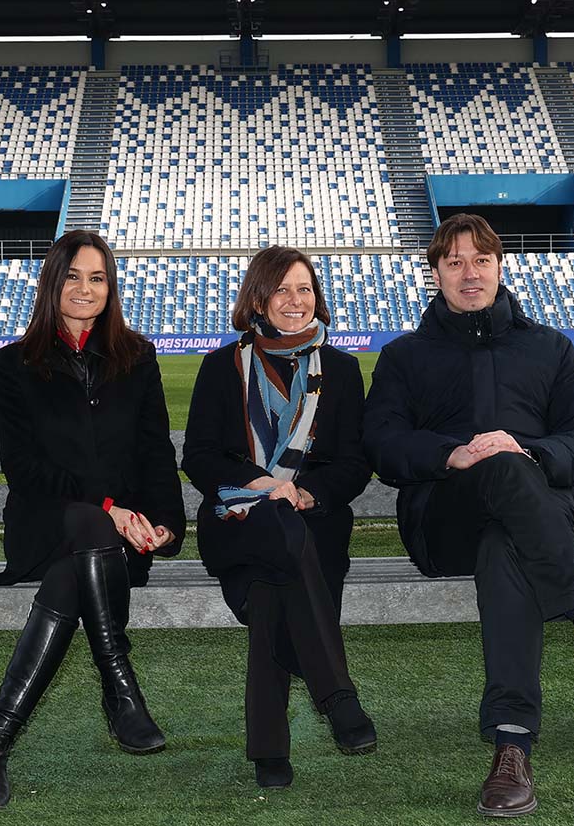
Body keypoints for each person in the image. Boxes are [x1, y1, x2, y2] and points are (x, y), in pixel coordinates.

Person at [363, 214, 574, 818]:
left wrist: (531, 449)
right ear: (434, 273)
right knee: (499, 477)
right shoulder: (406, 355)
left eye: (480, 260)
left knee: (505, 541)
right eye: (454, 262)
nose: (469, 273)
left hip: (531, 530)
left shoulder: (548, 347)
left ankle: (512, 749)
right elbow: (380, 442)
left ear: (500, 266)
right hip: (443, 521)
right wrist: (450, 452)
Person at [0, 230, 186, 808]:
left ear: (111, 288)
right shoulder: (15, 365)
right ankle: (121, 691)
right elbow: (25, 469)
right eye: (72, 276)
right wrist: (110, 509)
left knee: (80, 566)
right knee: (88, 528)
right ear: (52, 283)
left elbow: (155, 451)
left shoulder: (137, 358)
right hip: (46, 525)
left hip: (114, 546)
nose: (85, 289)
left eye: (97, 278)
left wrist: (163, 522)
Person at [182, 246, 376, 789]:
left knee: (274, 583)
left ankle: (270, 749)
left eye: (305, 289)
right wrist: (268, 487)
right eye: (282, 289)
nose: (295, 300)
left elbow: (353, 463)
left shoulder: (340, 369)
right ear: (258, 299)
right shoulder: (221, 367)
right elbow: (198, 456)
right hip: (235, 520)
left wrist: (305, 494)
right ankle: (336, 696)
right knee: (276, 532)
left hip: (313, 524)